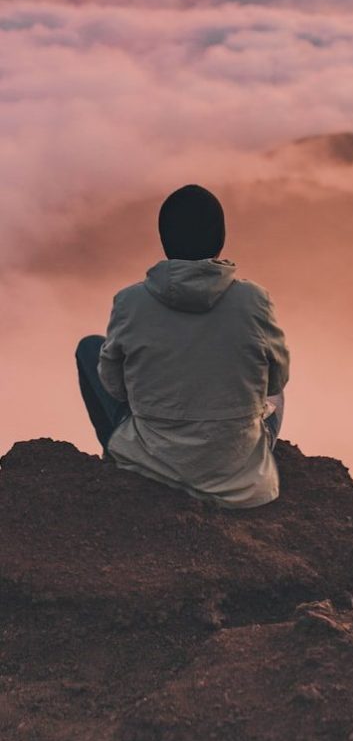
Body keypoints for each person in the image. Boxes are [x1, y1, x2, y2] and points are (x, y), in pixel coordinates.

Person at [75, 185, 289, 510]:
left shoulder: (130, 301)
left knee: (90, 349)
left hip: (151, 461)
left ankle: (115, 457)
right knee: (275, 393)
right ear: (220, 242)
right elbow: (274, 382)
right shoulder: (254, 300)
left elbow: (115, 388)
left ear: (165, 242)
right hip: (237, 472)